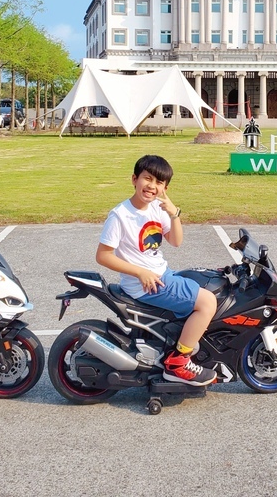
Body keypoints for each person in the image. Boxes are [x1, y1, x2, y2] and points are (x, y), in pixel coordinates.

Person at [96, 154, 217, 386]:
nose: (152, 186)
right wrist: (140, 272)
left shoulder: (157, 209)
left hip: (162, 273)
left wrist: (175, 214)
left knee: (207, 283)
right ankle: (179, 361)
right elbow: (103, 256)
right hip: (147, 283)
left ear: (165, 188)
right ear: (134, 179)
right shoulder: (120, 215)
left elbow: (176, 241)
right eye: (147, 179)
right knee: (208, 302)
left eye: (159, 182)